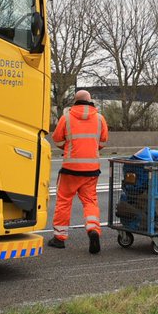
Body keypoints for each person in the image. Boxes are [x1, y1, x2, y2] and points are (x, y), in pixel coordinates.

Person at [49, 90, 109, 253]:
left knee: (64, 201)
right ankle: (93, 229)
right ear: (90, 101)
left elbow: (57, 139)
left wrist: (67, 147)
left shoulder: (66, 117)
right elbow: (103, 142)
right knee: (90, 202)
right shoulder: (99, 119)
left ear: (75, 101)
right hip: (91, 170)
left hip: (70, 169)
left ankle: (59, 238)